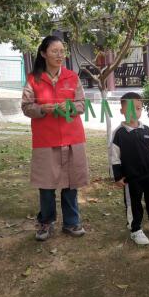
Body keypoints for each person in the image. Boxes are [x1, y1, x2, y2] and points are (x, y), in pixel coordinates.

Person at [21, 35, 89, 241]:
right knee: (46, 184)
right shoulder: (33, 79)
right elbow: (26, 107)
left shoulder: (72, 77)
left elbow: (82, 104)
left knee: (70, 182)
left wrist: (69, 107)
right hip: (45, 139)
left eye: (62, 51)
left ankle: (71, 222)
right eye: (54, 51)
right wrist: (42, 109)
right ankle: (46, 222)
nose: (60, 55)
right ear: (43, 53)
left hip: (72, 137)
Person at [111, 92, 149, 245]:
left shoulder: (146, 130)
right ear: (122, 111)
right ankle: (135, 229)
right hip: (131, 177)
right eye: (131, 108)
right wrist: (118, 176)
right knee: (134, 203)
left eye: (138, 108)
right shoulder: (119, 134)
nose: (135, 112)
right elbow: (115, 157)